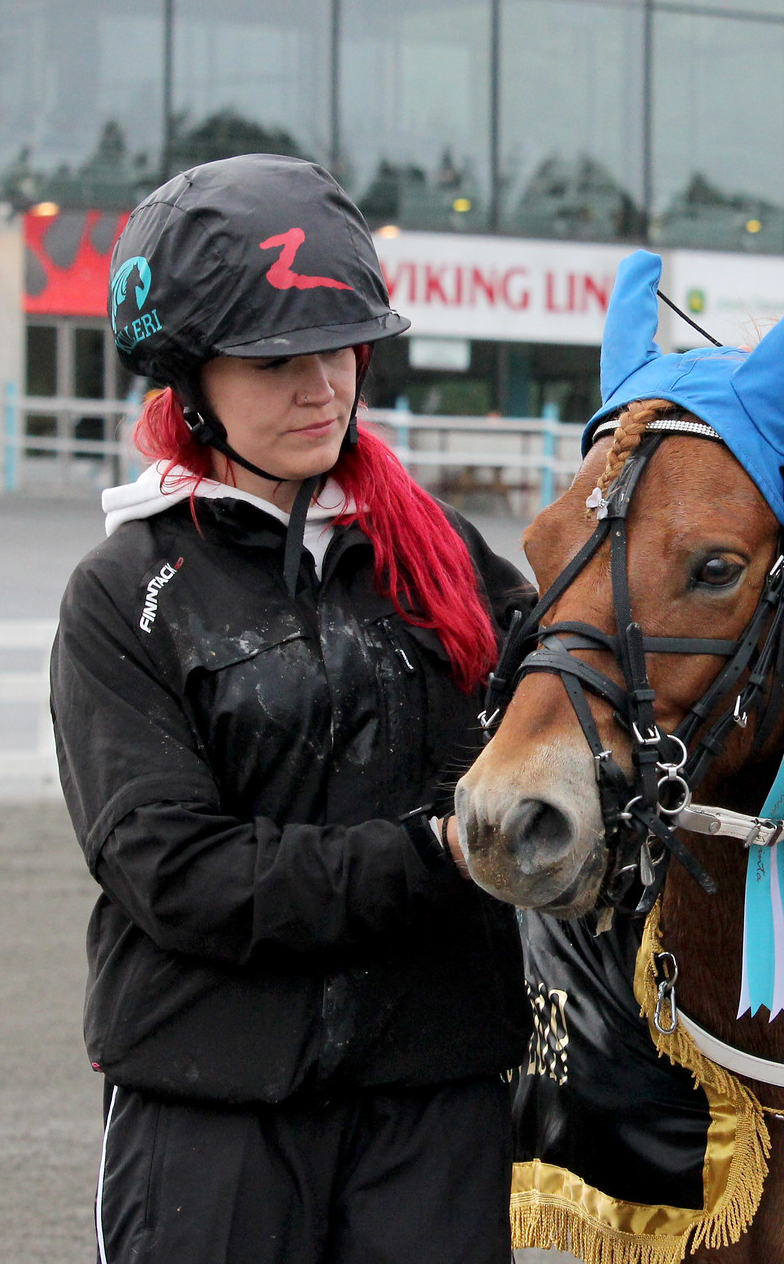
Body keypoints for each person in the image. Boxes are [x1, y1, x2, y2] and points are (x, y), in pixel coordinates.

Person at [51, 154, 532, 1264]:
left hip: (437, 1092)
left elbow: (592, 707)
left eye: (337, 347)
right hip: (208, 1101)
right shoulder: (123, 595)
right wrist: (436, 856)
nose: (320, 384)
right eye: (274, 360)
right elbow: (176, 873)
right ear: (188, 381)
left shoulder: (449, 557)